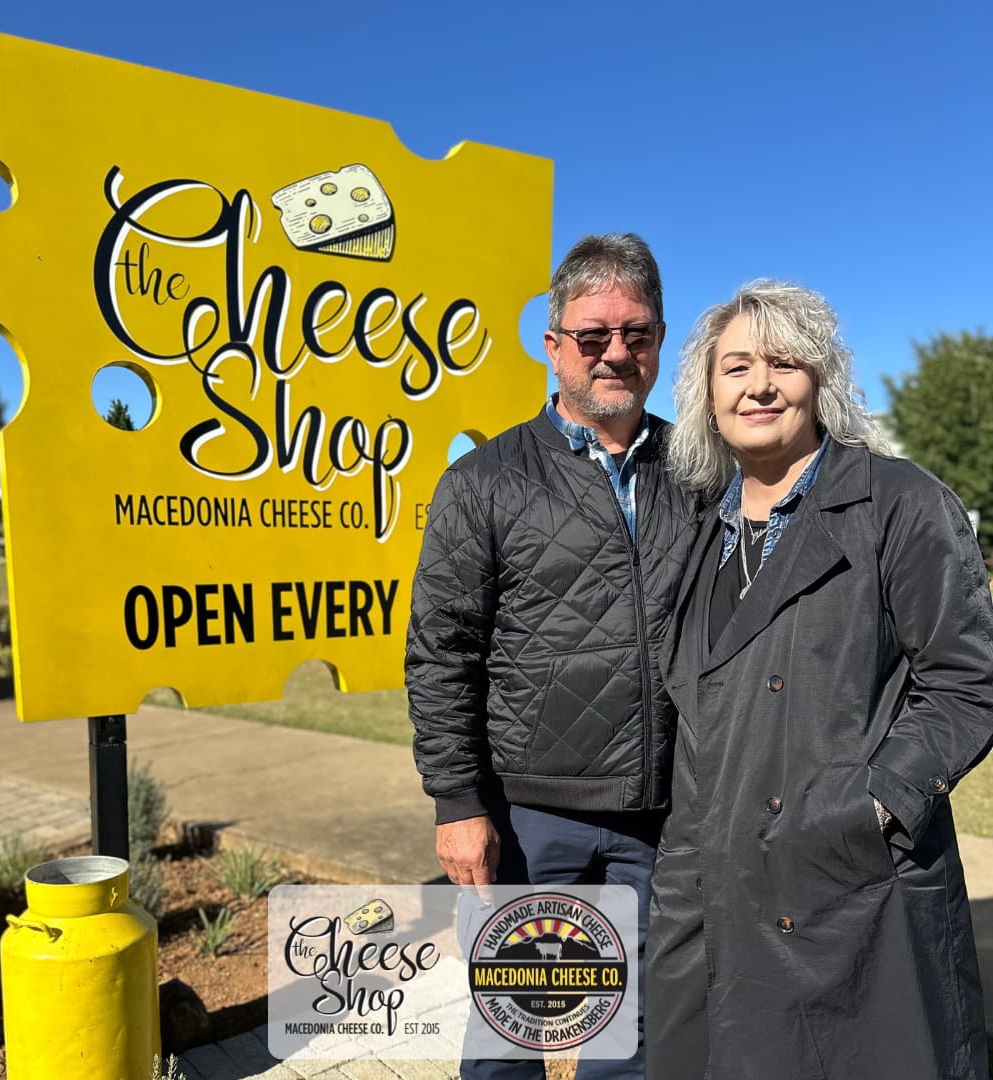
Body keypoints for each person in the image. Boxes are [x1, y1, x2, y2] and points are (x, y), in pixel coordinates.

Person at [645, 280, 993, 1079]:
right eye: (736, 367)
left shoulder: (900, 503)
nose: (759, 385)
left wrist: (871, 806)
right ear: (708, 396)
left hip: (850, 884)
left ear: (821, 381)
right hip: (709, 883)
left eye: (784, 363)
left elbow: (967, 682)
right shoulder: (702, 529)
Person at [405, 232, 699, 1080]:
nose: (616, 353)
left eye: (636, 334)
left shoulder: (697, 470)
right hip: (532, 819)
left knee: (634, 1040)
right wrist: (458, 802)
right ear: (553, 344)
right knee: (511, 1034)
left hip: (665, 812)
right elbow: (441, 651)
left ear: (658, 340)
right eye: (593, 335)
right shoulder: (485, 481)